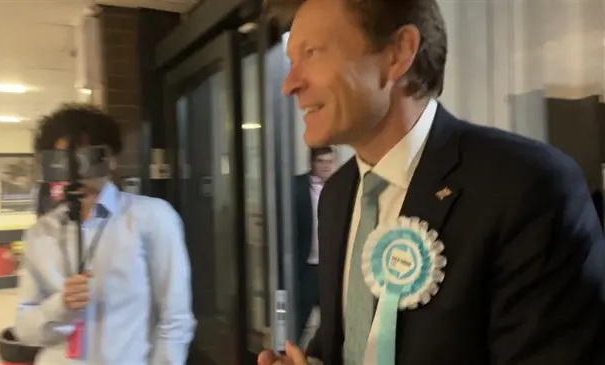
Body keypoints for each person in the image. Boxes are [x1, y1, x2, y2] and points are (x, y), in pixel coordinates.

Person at [259, 0, 605, 364]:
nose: (290, 84)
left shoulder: (528, 188)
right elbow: (352, 342)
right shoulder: (337, 196)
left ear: (398, 53)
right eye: (292, 59)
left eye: (311, 53)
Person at [14, 104, 196, 364]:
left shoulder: (152, 218)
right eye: (62, 159)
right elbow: (24, 328)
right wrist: (61, 306)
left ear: (111, 159)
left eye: (84, 156)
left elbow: (175, 319)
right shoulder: (40, 233)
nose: (74, 171)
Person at [293, 147, 336, 344]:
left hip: (330, 268)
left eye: (329, 161)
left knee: (333, 322)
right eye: (321, 161)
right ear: (312, 163)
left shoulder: (339, 187)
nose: (326, 165)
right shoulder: (296, 186)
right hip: (306, 266)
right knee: (299, 321)